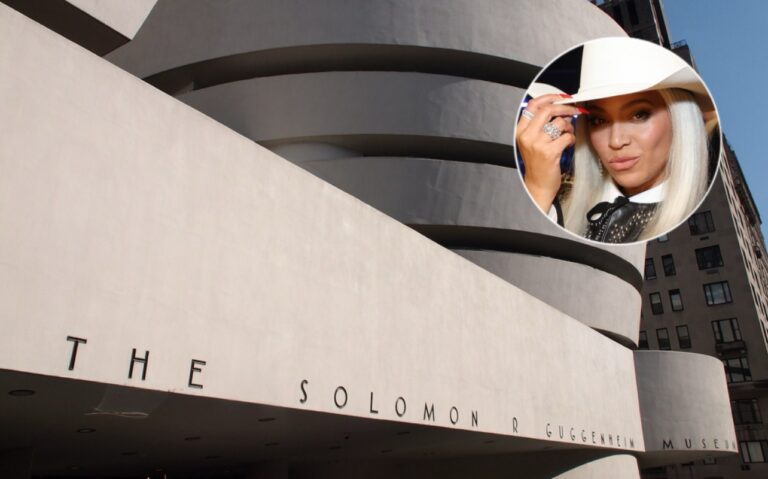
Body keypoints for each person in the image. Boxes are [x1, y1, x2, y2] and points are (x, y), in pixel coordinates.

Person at [516, 37, 717, 243]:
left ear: (679, 121)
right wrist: (538, 189)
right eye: (599, 120)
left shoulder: (684, 217)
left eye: (639, 115)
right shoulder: (565, 210)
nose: (616, 141)